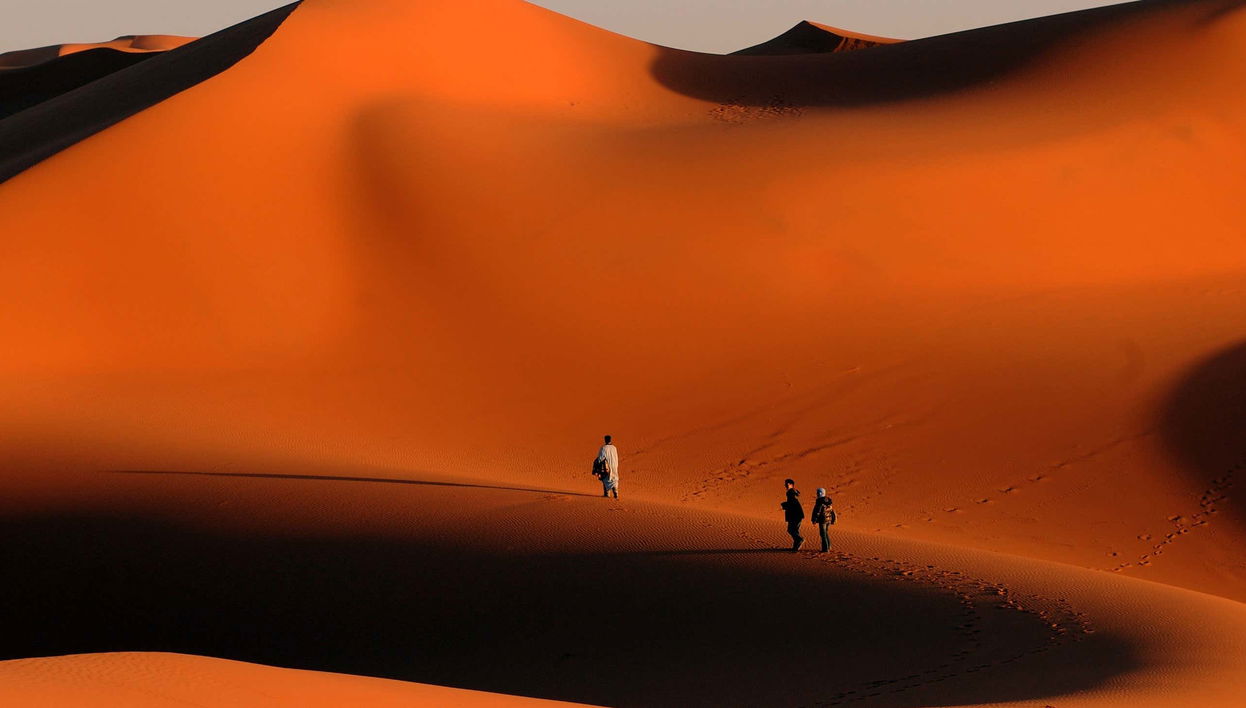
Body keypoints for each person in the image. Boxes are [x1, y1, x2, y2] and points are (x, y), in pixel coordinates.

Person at [780, 478, 804, 551]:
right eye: (785, 484)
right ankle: (795, 547)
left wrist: (785, 505)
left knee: (791, 530)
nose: (785, 485)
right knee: (794, 530)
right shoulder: (793, 492)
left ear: (791, 485)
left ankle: (799, 540)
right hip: (797, 515)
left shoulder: (791, 492)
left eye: (787, 484)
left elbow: (793, 503)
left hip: (794, 515)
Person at [811, 488, 836, 553]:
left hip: (823, 520)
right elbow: (831, 510)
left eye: (817, 493)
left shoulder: (819, 501)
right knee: (825, 533)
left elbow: (817, 511)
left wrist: (814, 520)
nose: (816, 494)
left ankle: (825, 549)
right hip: (828, 519)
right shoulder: (828, 500)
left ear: (820, 493)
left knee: (823, 534)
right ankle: (829, 546)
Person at [596, 435, 619, 499]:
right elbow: (616, 457)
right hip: (614, 465)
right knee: (614, 478)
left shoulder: (604, 448)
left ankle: (607, 494)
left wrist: (598, 464)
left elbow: (600, 458)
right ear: (610, 440)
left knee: (606, 478)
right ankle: (616, 494)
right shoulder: (614, 447)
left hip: (607, 466)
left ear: (605, 440)